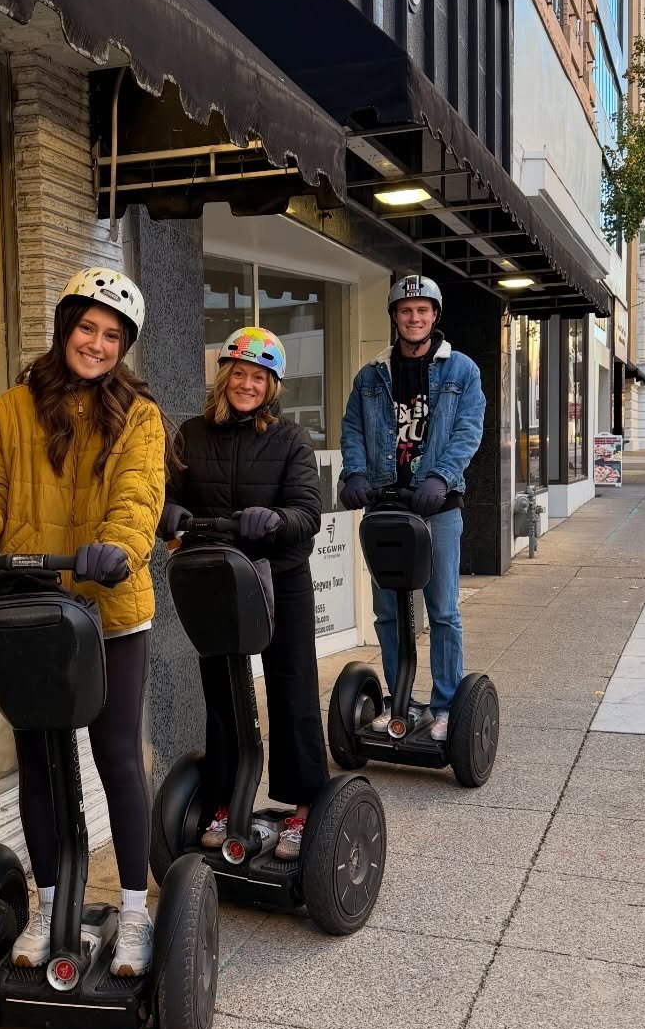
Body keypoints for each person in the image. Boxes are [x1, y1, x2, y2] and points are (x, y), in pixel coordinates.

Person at [0, 268, 167, 976]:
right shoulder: (11, 408)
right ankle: (48, 907)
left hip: (107, 613)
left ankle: (134, 912)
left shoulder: (139, 415)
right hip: (29, 611)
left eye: (113, 335)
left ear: (124, 346)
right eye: (87, 327)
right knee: (40, 765)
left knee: (118, 761)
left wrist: (120, 547)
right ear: (66, 325)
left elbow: (138, 494)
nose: (97, 344)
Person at [160, 326, 327, 859]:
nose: (246, 384)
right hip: (218, 579)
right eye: (239, 374)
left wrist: (274, 519)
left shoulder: (291, 440)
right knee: (223, 697)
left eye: (258, 376)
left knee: (292, 689)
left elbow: (308, 513)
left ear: (272, 385)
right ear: (224, 377)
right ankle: (227, 802)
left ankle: (301, 809)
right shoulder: (191, 434)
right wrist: (171, 516)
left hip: (279, 577)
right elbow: (161, 498)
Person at [339, 275, 486, 739]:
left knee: (442, 610)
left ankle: (444, 706)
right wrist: (356, 472)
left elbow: (468, 430)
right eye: (406, 310)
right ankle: (398, 700)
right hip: (384, 505)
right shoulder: (370, 376)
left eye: (423, 310)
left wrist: (440, 477)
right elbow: (352, 430)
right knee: (388, 610)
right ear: (394, 317)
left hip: (438, 507)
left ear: (435, 316)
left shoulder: (461, 370)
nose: (414, 318)